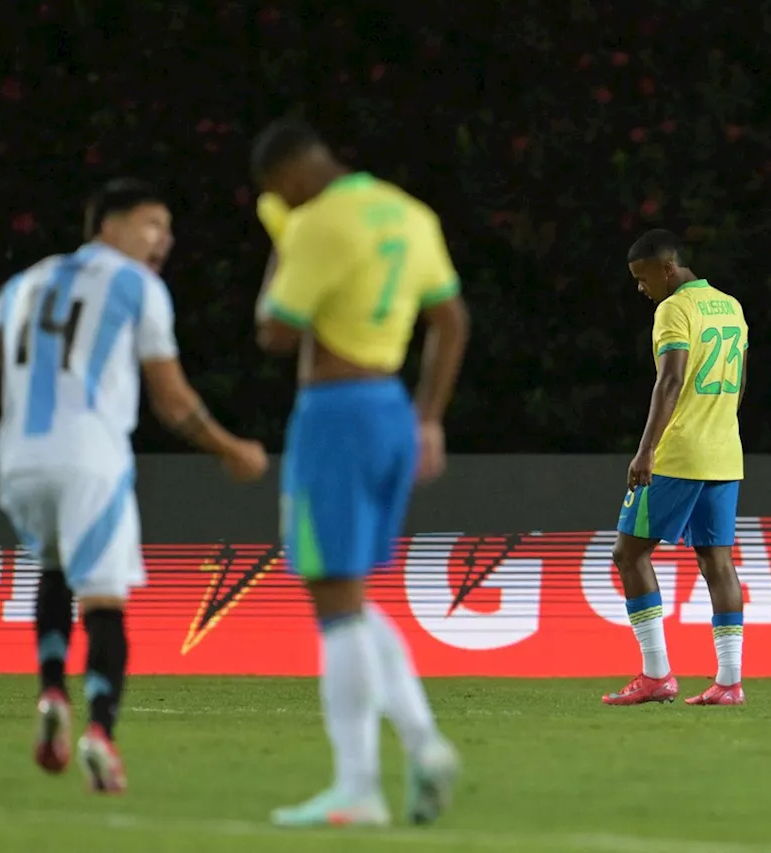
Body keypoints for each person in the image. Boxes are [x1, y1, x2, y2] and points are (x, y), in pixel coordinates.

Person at [0, 179, 269, 792]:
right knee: (105, 600)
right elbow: (172, 398)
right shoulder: (139, 288)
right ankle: (100, 730)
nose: (165, 239)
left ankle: (52, 690)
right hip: (91, 462)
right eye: (152, 223)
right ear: (109, 227)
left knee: (52, 570)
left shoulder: (22, 283)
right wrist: (230, 448)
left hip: (18, 464)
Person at [250, 117, 471, 828]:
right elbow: (451, 320)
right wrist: (429, 415)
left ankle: (360, 784)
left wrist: (283, 243)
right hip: (391, 411)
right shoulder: (411, 213)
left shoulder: (317, 223)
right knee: (347, 592)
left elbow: (275, 331)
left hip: (334, 415)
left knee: (334, 602)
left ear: (288, 177)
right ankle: (422, 744)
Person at [603, 229, 750, 708]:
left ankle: (656, 674)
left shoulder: (674, 309)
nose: (640, 288)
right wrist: (718, 427)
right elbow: (740, 383)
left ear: (666, 268)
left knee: (629, 553)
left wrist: (645, 450)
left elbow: (670, 380)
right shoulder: (730, 306)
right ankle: (729, 683)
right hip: (725, 452)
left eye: (642, 277)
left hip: (680, 452)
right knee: (717, 562)